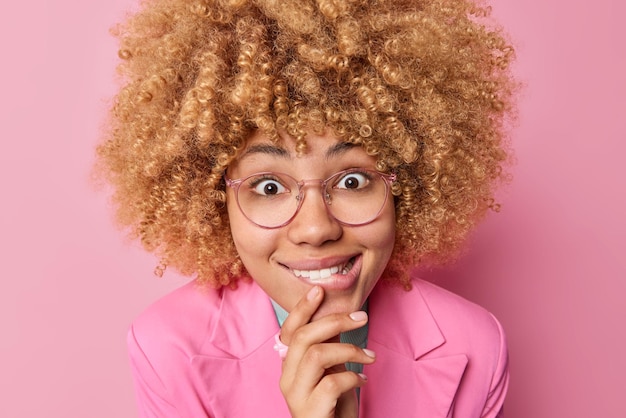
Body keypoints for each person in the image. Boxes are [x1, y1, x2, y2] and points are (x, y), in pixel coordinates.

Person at [96, 0, 517, 416]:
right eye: (269, 186)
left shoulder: (477, 346)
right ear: (213, 199)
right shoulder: (168, 348)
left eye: (353, 181)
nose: (316, 229)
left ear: (406, 186)